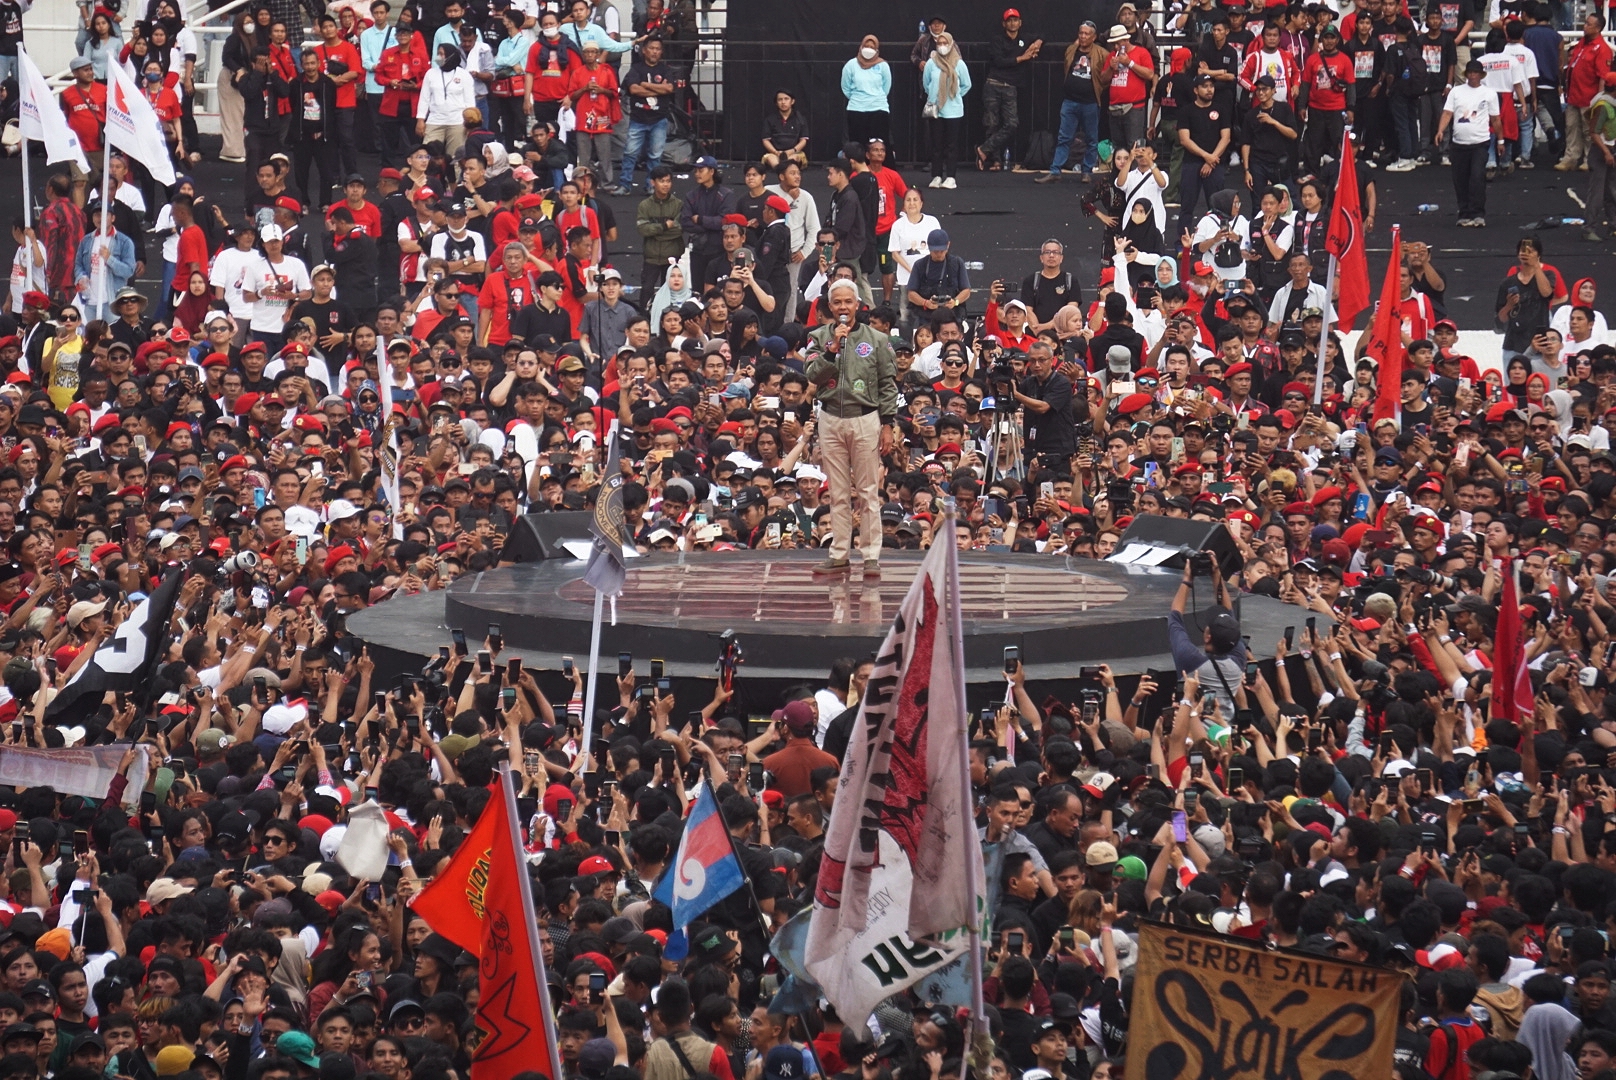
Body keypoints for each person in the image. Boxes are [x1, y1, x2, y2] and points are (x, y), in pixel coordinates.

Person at [805, 278, 896, 575]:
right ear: (829, 306)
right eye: (837, 302)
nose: (843, 307)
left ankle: (871, 555)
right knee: (838, 491)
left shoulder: (878, 339)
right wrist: (832, 348)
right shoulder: (818, 337)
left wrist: (887, 425)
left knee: (869, 490)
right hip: (830, 417)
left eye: (848, 302)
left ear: (858, 304)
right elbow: (813, 375)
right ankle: (839, 552)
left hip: (865, 417)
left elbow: (887, 384)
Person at [1433, 59, 1499, 227]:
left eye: (1475, 73)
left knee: (1477, 177)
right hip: (1459, 144)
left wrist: (1501, 139)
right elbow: (1447, 113)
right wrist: (1440, 130)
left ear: (1481, 75)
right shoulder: (1456, 92)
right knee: (1460, 180)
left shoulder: (1489, 94)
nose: (1472, 76)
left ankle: (1478, 212)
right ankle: (1464, 212)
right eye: (1470, 73)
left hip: (1480, 142)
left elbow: (1495, 119)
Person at [977, 8, 1041, 172]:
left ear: (1020, 23)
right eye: (1009, 20)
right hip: (993, 84)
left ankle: (984, 149)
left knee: (1011, 124)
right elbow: (999, 61)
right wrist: (1022, 58)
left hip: (1011, 87)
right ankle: (995, 161)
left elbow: (1044, 36)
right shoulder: (997, 40)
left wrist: (1036, 44)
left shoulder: (1024, 39)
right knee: (992, 124)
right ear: (1004, 23)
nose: (1012, 23)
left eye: (1015, 20)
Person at [1041, 22, 1105, 183]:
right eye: (1081, 33)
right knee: (1064, 137)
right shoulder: (1071, 50)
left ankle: (1087, 171)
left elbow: (1106, 76)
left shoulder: (1102, 53)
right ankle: (1055, 170)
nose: (1083, 36)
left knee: (1091, 139)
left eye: (1086, 34)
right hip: (1070, 101)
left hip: (1090, 102)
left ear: (1094, 37)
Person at [615, 37, 675, 196]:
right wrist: (658, 89)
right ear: (644, 50)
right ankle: (625, 185)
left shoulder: (665, 69)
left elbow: (669, 88)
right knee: (630, 153)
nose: (655, 51)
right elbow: (634, 89)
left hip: (659, 119)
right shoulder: (636, 69)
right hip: (638, 119)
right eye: (652, 48)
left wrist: (647, 85)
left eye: (658, 49)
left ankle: (651, 185)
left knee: (655, 155)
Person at [922, 32, 971, 190]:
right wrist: (935, 95)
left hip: (953, 111)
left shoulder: (959, 64)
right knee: (936, 145)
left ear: (950, 44)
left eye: (945, 43)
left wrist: (953, 96)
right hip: (936, 110)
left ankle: (950, 177)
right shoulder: (931, 63)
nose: (942, 46)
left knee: (951, 145)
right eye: (939, 43)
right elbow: (926, 83)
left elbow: (966, 85)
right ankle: (936, 176)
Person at [1101, 22, 1154, 152]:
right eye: (1114, 44)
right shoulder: (1112, 55)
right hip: (1115, 107)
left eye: (1118, 43)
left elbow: (1150, 74)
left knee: (1134, 146)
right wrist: (1110, 69)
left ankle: (1135, 172)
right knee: (1118, 147)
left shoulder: (1141, 52)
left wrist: (1129, 63)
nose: (1116, 46)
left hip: (1134, 107)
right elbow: (1102, 80)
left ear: (1127, 39)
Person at [841, 35, 891, 146]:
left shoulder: (883, 65)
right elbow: (845, 87)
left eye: (872, 47)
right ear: (861, 47)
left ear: (877, 49)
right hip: (856, 109)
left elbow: (886, 87)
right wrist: (859, 98)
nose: (869, 49)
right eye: (866, 46)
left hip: (878, 109)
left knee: (879, 144)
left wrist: (875, 97)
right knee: (858, 145)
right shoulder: (851, 65)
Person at [761, 89, 809, 172]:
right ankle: (781, 170)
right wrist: (776, 152)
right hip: (775, 154)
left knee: (793, 159)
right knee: (770, 158)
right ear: (776, 103)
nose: (783, 102)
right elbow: (765, 140)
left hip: (794, 153)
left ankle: (785, 170)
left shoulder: (800, 119)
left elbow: (804, 140)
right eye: (780, 100)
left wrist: (792, 151)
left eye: (786, 99)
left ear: (792, 101)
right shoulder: (770, 119)